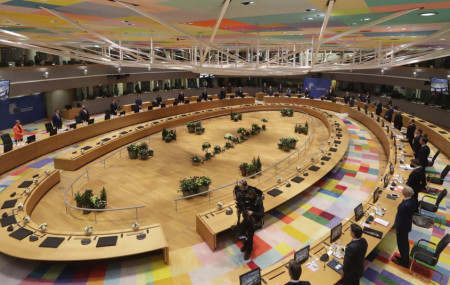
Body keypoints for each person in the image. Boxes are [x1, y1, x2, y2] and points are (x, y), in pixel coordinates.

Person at [234, 180, 264, 260]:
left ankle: (249, 250)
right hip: (247, 219)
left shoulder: (258, 202)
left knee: (250, 237)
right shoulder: (248, 199)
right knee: (239, 233)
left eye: (250, 196)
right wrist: (239, 210)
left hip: (254, 221)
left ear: (253, 196)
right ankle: (246, 244)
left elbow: (261, 214)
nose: (248, 197)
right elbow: (242, 206)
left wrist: (253, 213)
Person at [393, 187, 416, 268]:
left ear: (405, 193)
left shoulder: (404, 206)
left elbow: (401, 219)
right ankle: (404, 257)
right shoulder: (412, 200)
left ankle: (404, 262)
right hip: (407, 225)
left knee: (402, 244)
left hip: (402, 227)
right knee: (405, 243)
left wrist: (397, 228)